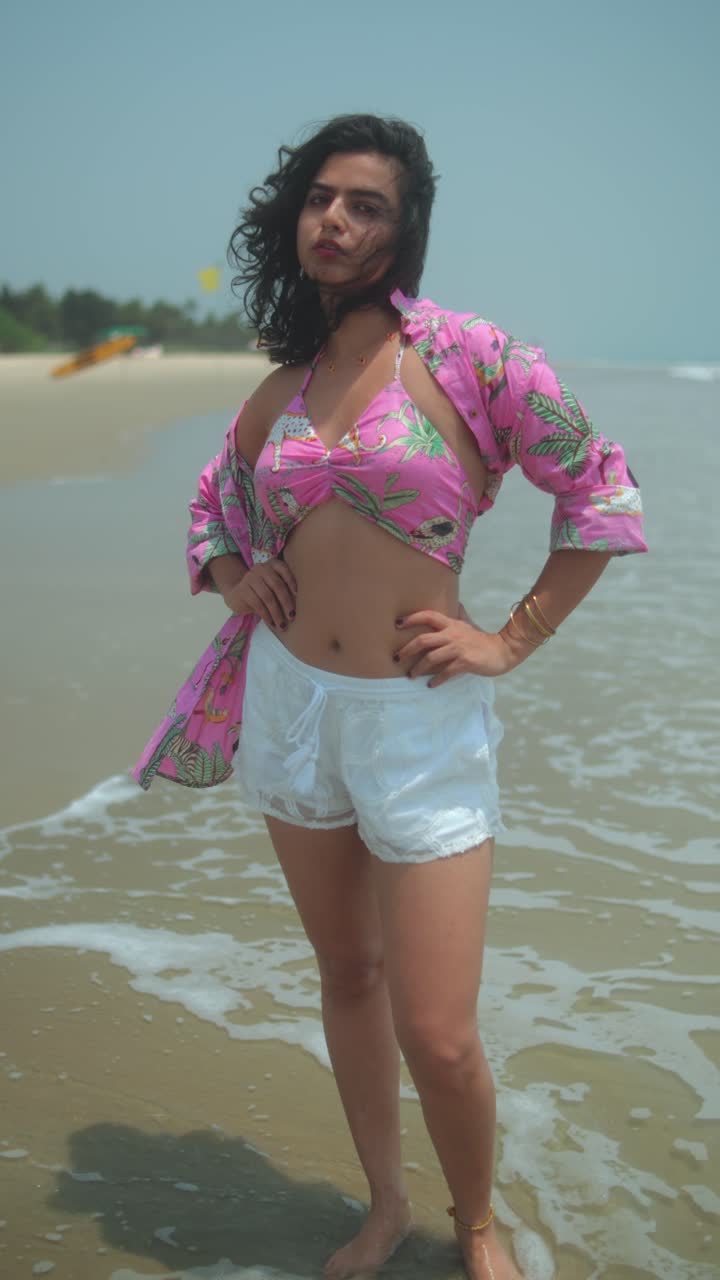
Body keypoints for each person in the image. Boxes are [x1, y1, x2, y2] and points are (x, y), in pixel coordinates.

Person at [134, 114, 647, 1280]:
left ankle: (476, 1224)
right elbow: (217, 506)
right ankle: (384, 1204)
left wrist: (507, 638)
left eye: (366, 204)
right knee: (348, 975)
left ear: (404, 228)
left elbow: (600, 488)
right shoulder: (285, 384)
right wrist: (232, 572)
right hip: (290, 703)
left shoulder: (469, 355)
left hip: (417, 717)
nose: (336, 219)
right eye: (321, 197)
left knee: (439, 1025)